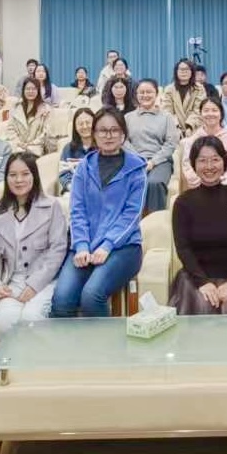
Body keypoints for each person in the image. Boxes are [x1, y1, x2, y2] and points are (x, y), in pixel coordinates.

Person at [53, 108, 145, 318]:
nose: (108, 135)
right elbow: (77, 210)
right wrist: (81, 245)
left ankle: (104, 341)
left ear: (123, 134)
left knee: (91, 295)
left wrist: (107, 245)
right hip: (85, 245)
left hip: (123, 247)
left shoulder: (136, 168)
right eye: (103, 130)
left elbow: (131, 216)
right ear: (94, 134)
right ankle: (64, 341)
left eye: (114, 130)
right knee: (61, 299)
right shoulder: (84, 167)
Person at [0, 152, 68, 335]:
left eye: (25, 174)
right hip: (12, 282)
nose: (19, 180)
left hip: (45, 281)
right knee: (4, 322)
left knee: (31, 318)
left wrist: (34, 285)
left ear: (34, 176)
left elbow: (58, 249)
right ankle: (9, 356)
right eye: (13, 175)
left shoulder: (52, 207)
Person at [170, 137, 227, 316]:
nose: (209, 166)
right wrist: (203, 283)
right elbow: (183, 249)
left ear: (224, 162)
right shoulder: (183, 202)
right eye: (202, 160)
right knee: (202, 304)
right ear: (194, 164)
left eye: (215, 159)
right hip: (194, 276)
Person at [126, 79, 180, 213]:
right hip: (134, 161)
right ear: (136, 95)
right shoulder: (128, 117)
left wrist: (153, 162)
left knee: (154, 183)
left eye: (149, 92)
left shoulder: (166, 117)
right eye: (141, 92)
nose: (145, 95)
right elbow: (124, 141)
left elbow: (171, 143)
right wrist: (139, 159)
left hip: (160, 161)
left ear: (156, 94)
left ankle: (155, 221)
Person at [179, 96, 227, 190]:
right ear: (200, 114)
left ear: (221, 114)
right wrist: (200, 182)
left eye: (214, 110)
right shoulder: (193, 139)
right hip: (199, 186)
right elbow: (187, 164)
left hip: (225, 185)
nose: (210, 114)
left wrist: (221, 182)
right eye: (206, 110)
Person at [7, 78, 55, 155]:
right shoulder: (15, 108)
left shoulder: (46, 108)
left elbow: (46, 132)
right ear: (23, 90)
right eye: (28, 89)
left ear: (38, 91)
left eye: (33, 89)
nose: (30, 91)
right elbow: (10, 129)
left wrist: (31, 144)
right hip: (18, 145)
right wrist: (18, 142)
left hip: (37, 146)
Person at [161, 58, 206, 138]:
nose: (183, 72)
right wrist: (176, 127)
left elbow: (199, 110)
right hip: (173, 129)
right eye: (181, 69)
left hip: (195, 128)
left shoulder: (199, 88)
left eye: (187, 69)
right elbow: (167, 111)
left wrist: (189, 126)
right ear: (176, 72)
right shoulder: (169, 89)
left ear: (192, 72)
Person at [57, 108, 96, 193]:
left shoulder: (103, 147)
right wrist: (73, 188)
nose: (84, 126)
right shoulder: (68, 148)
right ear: (75, 127)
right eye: (80, 124)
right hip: (72, 191)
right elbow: (63, 174)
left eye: (88, 123)